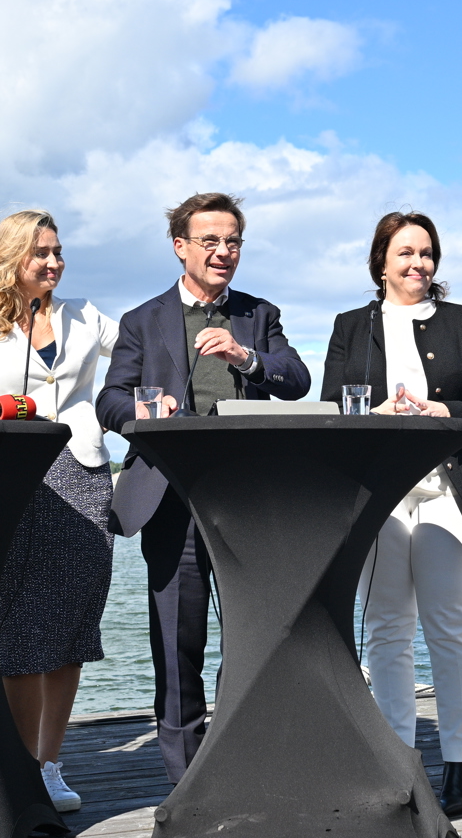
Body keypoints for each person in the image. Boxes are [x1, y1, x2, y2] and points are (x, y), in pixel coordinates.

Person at [95, 192, 310, 783]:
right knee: (176, 643)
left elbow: (296, 380)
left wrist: (247, 358)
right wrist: (146, 404)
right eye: (210, 240)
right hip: (171, 499)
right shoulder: (141, 320)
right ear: (180, 246)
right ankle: (187, 782)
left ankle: (248, 757)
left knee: (255, 636)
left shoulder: (258, 315)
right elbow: (108, 400)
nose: (223, 252)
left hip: (248, 501)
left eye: (233, 241)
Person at [319, 211, 462, 816]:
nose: (417, 264)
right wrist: (378, 412)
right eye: (404, 253)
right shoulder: (351, 326)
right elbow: (331, 409)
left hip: (449, 488)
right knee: (386, 631)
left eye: (426, 253)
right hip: (379, 495)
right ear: (380, 261)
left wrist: (437, 410)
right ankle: (399, 761)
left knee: (451, 627)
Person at [0, 210, 119, 812]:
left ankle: (48, 764)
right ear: (10, 258)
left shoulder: (88, 316)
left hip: (82, 474)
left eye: (58, 251)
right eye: (40, 253)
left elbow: (140, 356)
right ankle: (15, 766)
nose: (53, 262)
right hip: (14, 479)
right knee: (19, 629)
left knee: (68, 628)